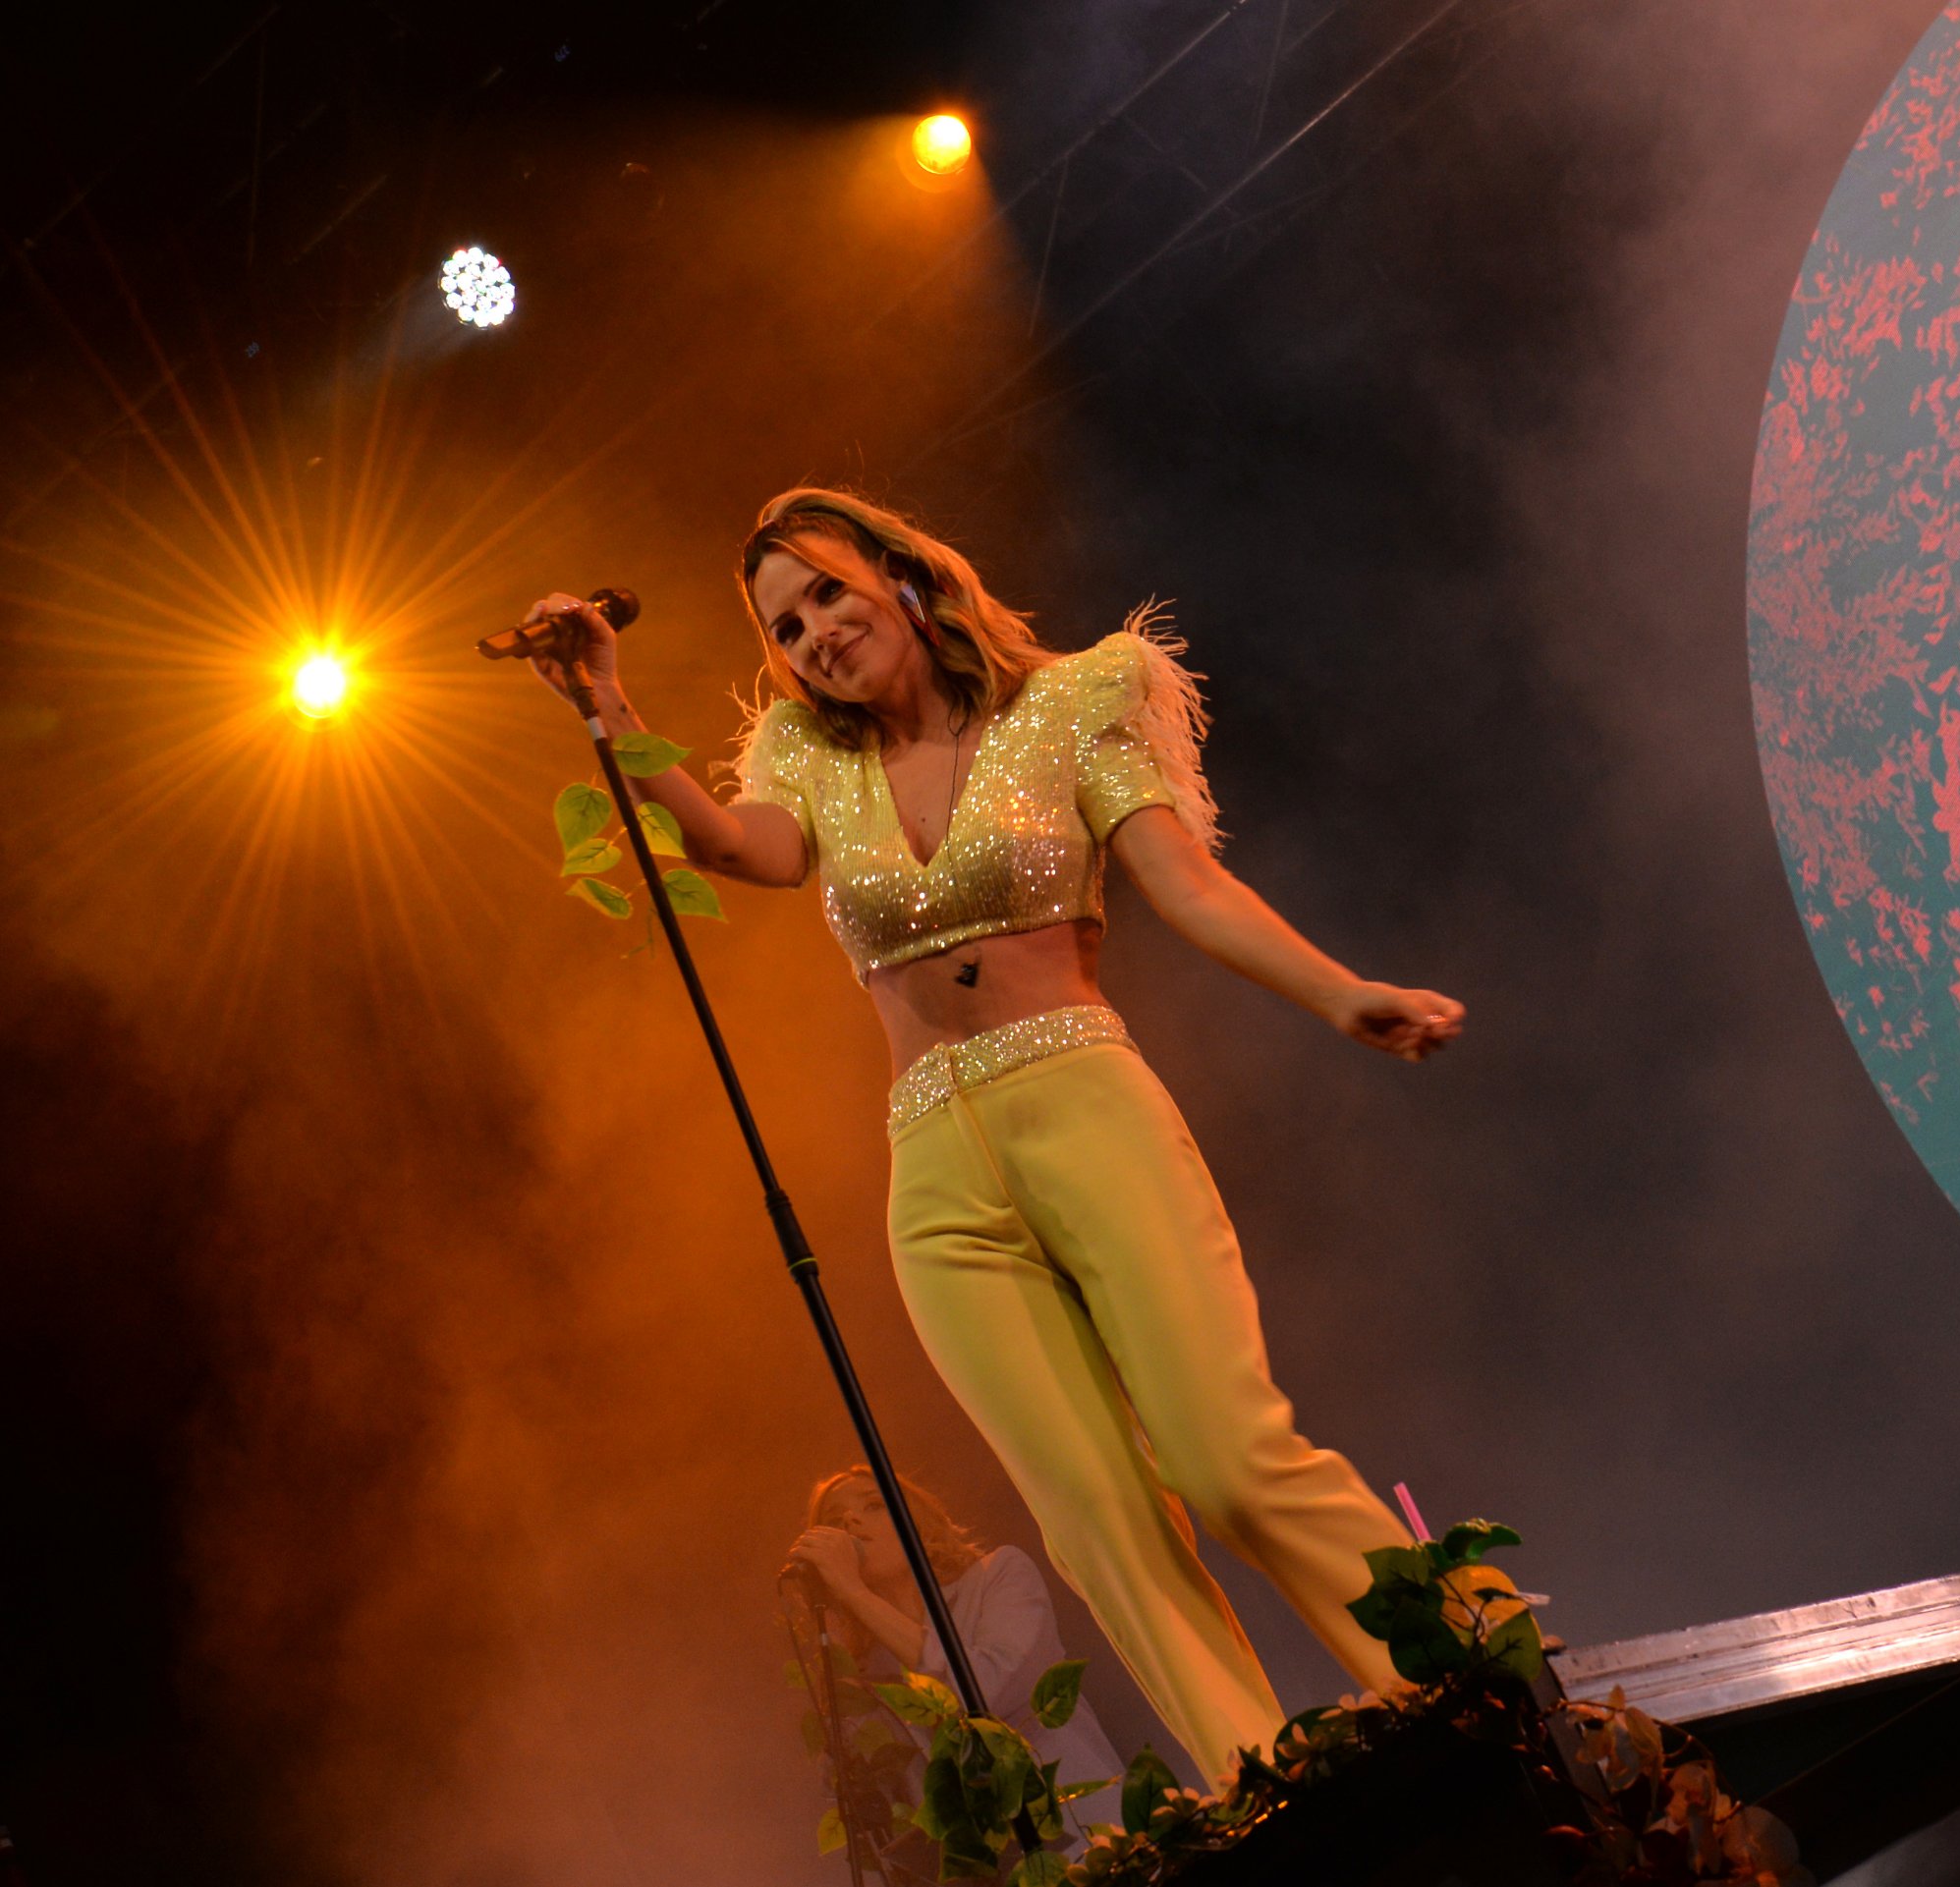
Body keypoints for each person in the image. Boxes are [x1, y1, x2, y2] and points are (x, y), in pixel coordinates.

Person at [524, 485, 1464, 1782]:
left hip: (1083, 1105)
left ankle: (1469, 1673)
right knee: (1099, 1526)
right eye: (785, 627)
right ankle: (1268, 1786)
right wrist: (605, 701)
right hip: (935, 1180)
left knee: (1227, 1460)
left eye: (829, 593)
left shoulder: (1069, 705)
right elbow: (742, 847)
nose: (815, 636)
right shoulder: (807, 756)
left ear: (902, 574)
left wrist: (1340, 992)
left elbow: (1190, 885)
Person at [781, 1469, 1125, 1860]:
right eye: (833, 1520)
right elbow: (873, 1803)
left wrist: (856, 1593)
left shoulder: (998, 1576)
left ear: (919, 1522)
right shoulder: (863, 1673)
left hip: (1093, 1843)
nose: (849, 1521)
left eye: (873, 1505)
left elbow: (985, 1693)